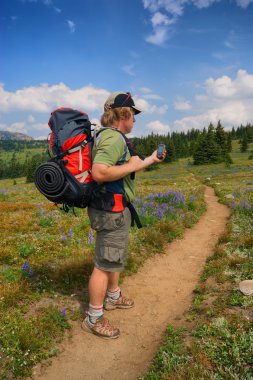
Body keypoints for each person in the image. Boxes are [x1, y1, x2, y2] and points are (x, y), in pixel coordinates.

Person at [82, 91, 166, 339]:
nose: (135, 121)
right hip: (110, 211)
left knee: (113, 255)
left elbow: (122, 168)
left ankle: (113, 295)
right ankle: (94, 318)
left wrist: (149, 160)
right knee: (103, 264)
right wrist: (131, 165)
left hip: (115, 208)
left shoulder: (110, 137)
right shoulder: (114, 139)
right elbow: (99, 172)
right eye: (133, 115)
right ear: (124, 114)